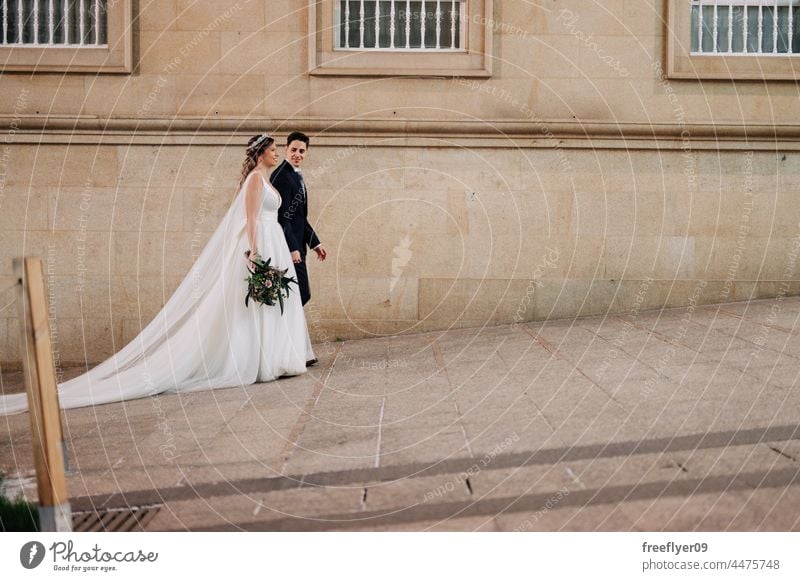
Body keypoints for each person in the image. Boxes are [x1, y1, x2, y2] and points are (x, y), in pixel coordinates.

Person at [0, 134, 314, 415]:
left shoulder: (268, 180)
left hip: (274, 240)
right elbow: (248, 216)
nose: (278, 154)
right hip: (261, 240)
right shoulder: (256, 181)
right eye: (274, 150)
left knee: (272, 301)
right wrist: (254, 252)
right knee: (255, 303)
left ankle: (275, 356)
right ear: (261, 154)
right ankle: (258, 360)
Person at [270, 132, 327, 308]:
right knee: (301, 293)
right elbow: (282, 217)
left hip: (297, 245)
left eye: (302, 151)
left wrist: (315, 243)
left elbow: (300, 217)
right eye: (293, 149)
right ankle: (283, 331)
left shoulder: (295, 175)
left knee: (295, 294)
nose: (298, 154)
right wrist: (293, 248)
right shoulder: (282, 176)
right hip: (288, 247)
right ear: (286, 149)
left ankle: (286, 333)